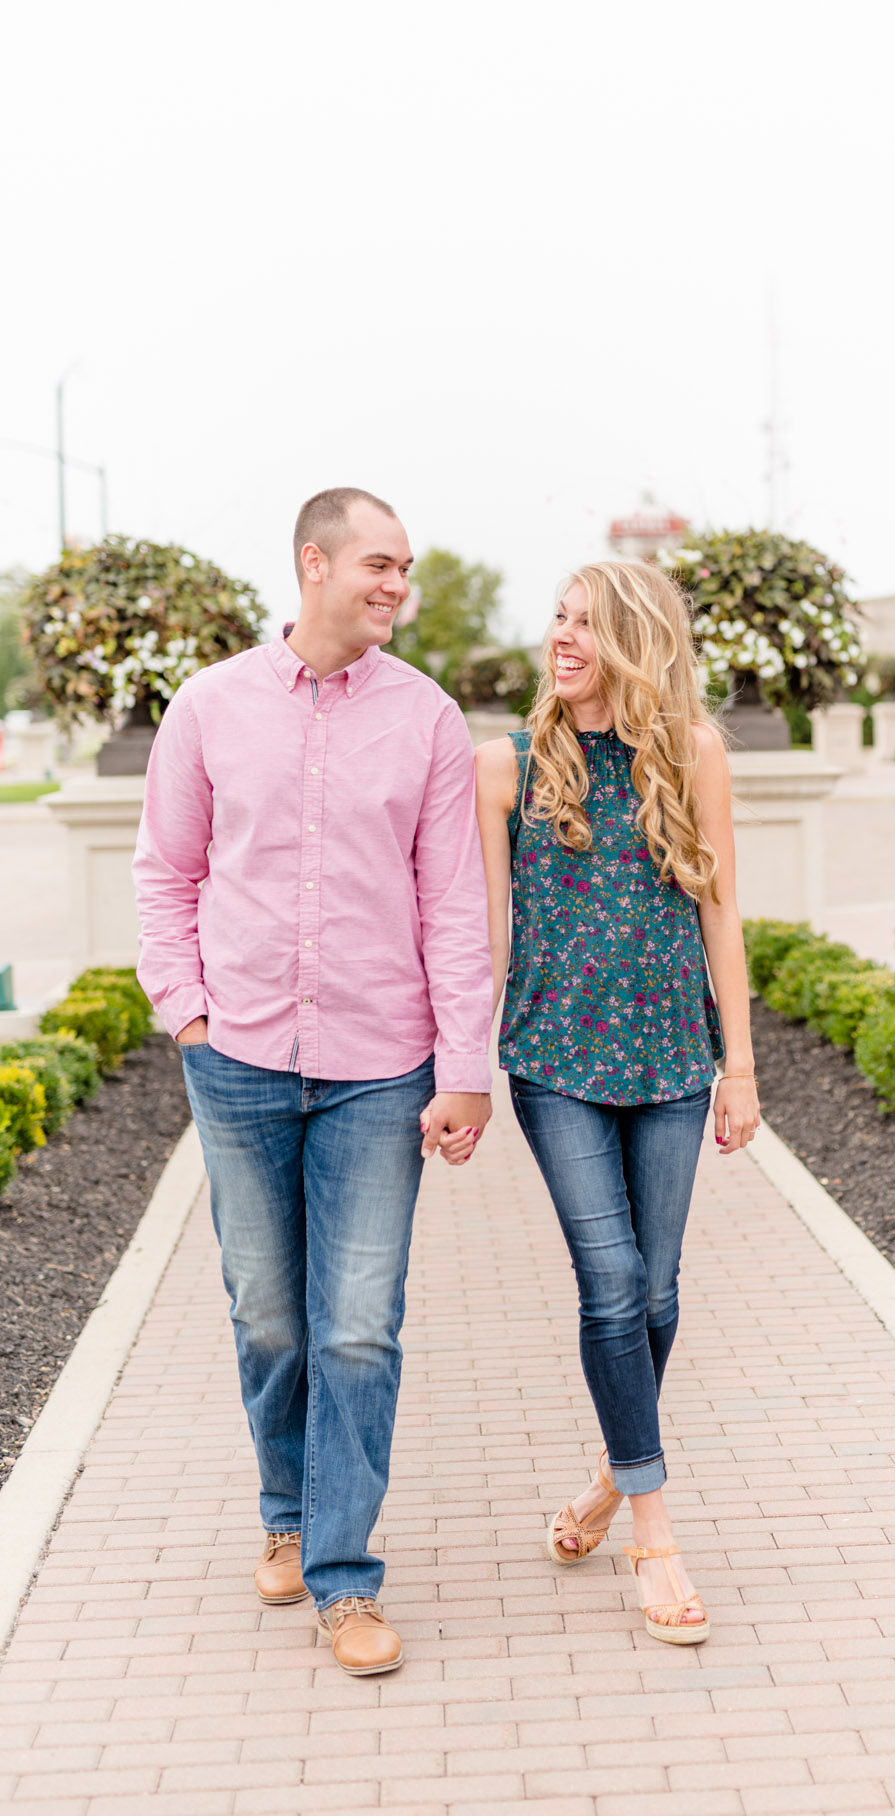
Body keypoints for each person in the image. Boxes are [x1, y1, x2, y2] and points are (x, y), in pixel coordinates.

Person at [133, 487, 493, 1677]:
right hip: (234, 1059)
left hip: (378, 1072)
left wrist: (464, 1069)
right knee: (267, 1314)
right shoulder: (209, 704)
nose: (398, 586)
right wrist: (184, 1011)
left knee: (354, 1326)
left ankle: (344, 1575)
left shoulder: (429, 720)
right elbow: (166, 871)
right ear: (314, 562)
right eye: (381, 565)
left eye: (406, 570)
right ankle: (283, 1510)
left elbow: (452, 905)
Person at [465, 557, 761, 1645]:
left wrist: (741, 1062)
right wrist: (457, 1060)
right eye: (558, 615)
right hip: (554, 1059)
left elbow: (721, 914)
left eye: (586, 622)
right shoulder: (503, 765)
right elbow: (485, 933)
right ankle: (653, 1527)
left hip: (675, 1056)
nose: (563, 636)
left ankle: (602, 1478)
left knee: (658, 1295)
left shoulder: (693, 753)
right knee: (611, 1279)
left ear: (635, 639)